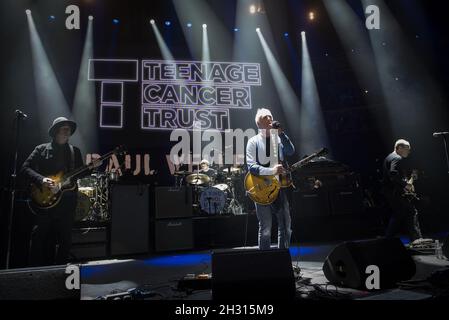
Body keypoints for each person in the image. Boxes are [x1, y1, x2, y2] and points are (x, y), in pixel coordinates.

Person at [21, 117, 84, 266]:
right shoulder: (41, 149)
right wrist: (42, 180)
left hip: (66, 203)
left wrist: (93, 167)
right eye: (64, 128)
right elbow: (24, 169)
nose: (67, 131)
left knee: (65, 240)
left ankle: (59, 273)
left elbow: (80, 173)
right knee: (38, 237)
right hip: (45, 201)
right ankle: (34, 272)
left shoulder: (74, 151)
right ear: (56, 131)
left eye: (69, 129)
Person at [246, 108, 295, 250]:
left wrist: (282, 134)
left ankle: (283, 259)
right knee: (266, 228)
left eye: (270, 116)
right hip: (261, 188)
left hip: (280, 187)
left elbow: (290, 151)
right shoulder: (253, 141)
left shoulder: (278, 139)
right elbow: (251, 166)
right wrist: (271, 170)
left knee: (286, 226)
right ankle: (265, 261)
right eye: (265, 117)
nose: (269, 118)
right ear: (259, 123)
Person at [382, 139, 422, 241]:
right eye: (407, 149)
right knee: (411, 212)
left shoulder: (390, 157)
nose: (409, 151)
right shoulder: (397, 158)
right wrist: (406, 185)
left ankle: (387, 239)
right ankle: (417, 239)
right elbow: (393, 174)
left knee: (398, 215)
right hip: (395, 193)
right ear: (399, 148)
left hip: (390, 192)